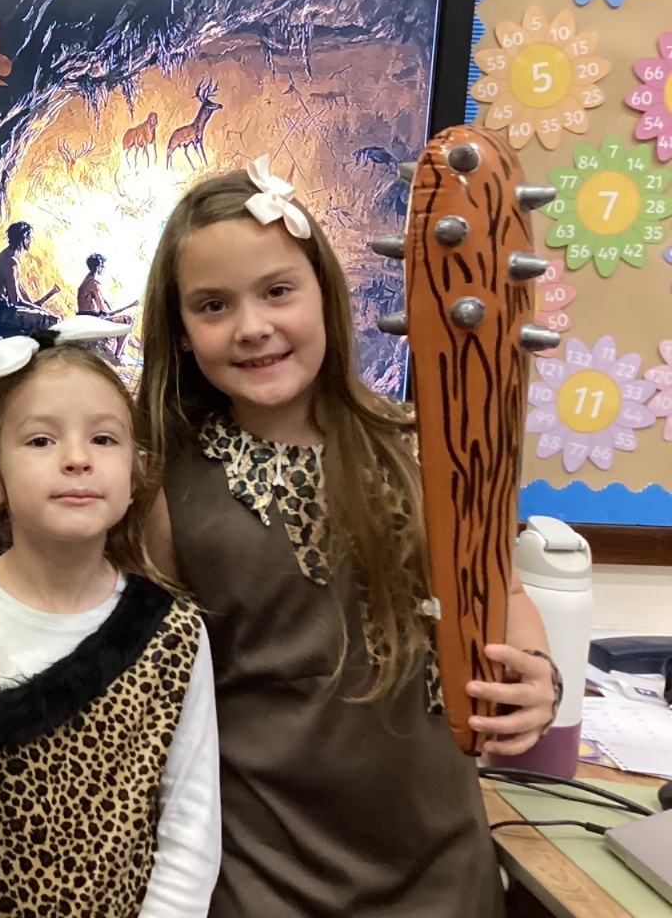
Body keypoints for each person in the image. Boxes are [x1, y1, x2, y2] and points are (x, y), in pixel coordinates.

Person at [134, 158, 560, 917]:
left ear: (326, 294)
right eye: (213, 305)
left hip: (441, 873)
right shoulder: (164, 490)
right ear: (182, 332)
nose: (253, 326)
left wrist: (535, 677)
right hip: (260, 880)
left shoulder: (428, 449)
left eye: (277, 291)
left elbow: (508, 594)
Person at [0, 320, 219, 917]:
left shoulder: (175, 633)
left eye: (104, 439)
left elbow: (191, 824)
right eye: (41, 440)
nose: (76, 459)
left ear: (137, 471)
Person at [0, 221, 60, 330]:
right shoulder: (10, 262)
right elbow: (16, 301)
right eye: (30, 238)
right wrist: (41, 310)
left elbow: (20, 293)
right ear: (25, 239)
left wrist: (35, 307)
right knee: (54, 321)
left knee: (48, 317)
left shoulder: (8, 256)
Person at [77, 251, 136, 357]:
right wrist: (128, 306)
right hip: (91, 321)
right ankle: (117, 356)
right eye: (103, 266)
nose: (104, 269)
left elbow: (103, 304)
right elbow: (104, 310)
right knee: (128, 319)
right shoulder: (94, 283)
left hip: (88, 318)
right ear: (99, 267)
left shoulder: (88, 279)